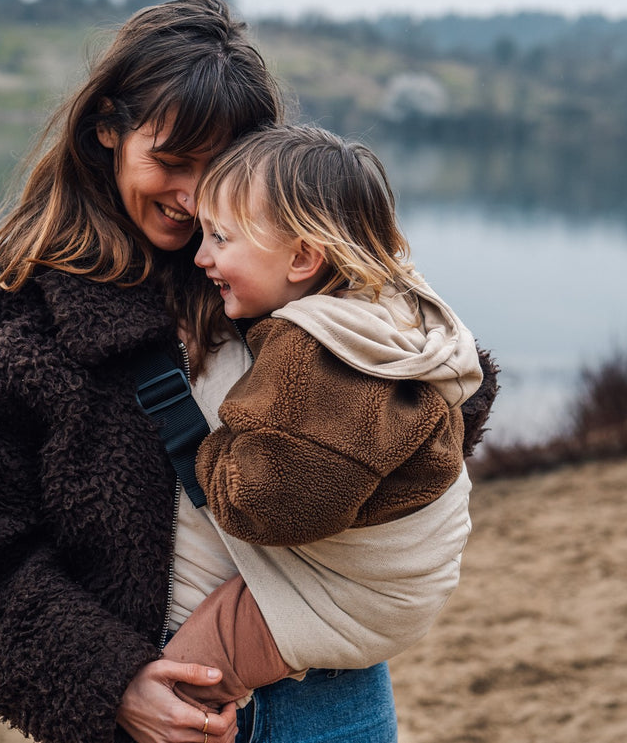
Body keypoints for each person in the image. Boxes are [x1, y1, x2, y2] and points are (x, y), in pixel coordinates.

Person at [0, 0, 498, 743]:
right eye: (171, 162)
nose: (191, 196)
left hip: (334, 694)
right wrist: (110, 682)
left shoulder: (300, 269)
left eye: (218, 169)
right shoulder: (17, 313)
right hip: (159, 715)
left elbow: (441, 403)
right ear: (107, 126)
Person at [159, 125, 491, 713]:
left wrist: (205, 441)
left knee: (192, 671)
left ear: (304, 257)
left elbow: (264, 502)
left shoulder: (310, 350)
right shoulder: (389, 305)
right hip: (416, 584)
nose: (201, 255)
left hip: (364, 593)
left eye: (221, 238)